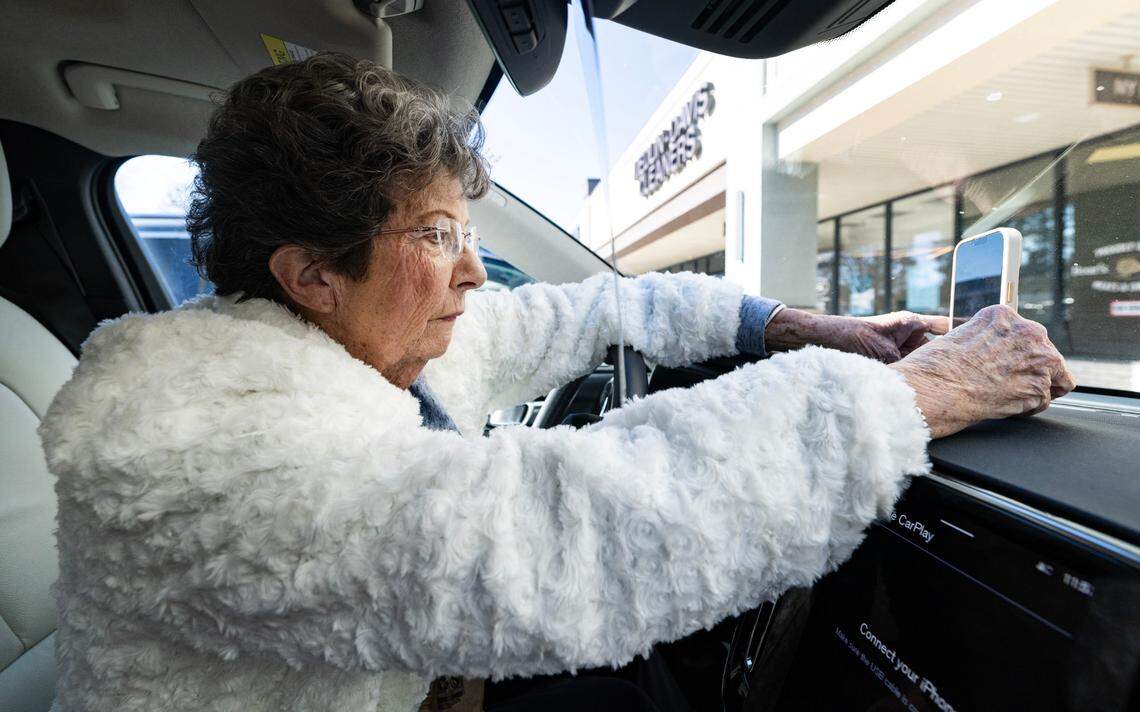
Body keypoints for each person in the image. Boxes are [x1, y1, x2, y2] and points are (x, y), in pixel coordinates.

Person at [39, 53, 1074, 712]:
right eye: (437, 236)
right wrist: (916, 397)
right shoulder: (191, 443)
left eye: (469, 232)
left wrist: (799, 325)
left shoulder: (368, 339)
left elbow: (598, 308)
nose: (477, 273)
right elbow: (553, 538)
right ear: (311, 272)